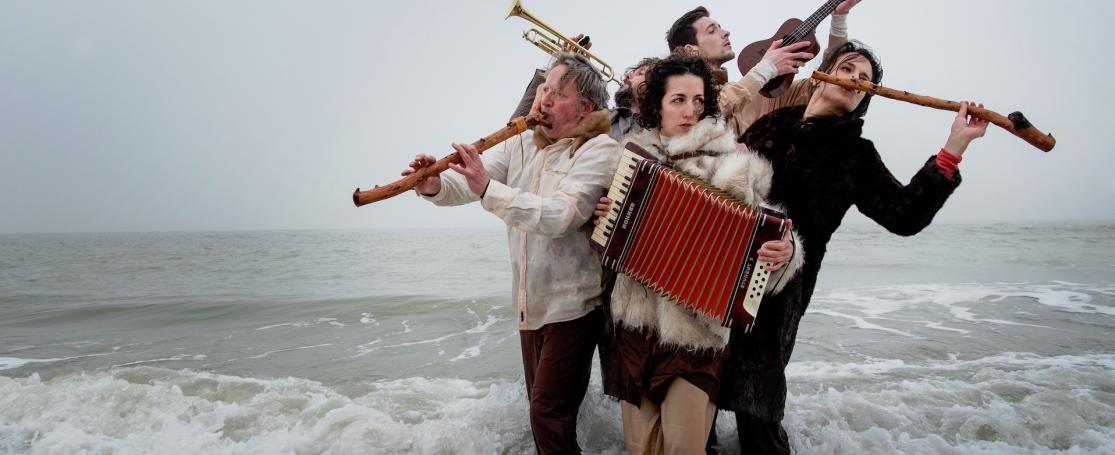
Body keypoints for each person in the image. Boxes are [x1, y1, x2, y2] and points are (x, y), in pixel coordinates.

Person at [719, 40, 989, 454]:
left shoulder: (855, 154)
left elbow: (904, 216)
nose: (855, 79)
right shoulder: (773, 124)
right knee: (703, 385)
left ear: (865, 97)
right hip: (722, 270)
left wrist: (954, 147)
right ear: (821, 77)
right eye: (847, 69)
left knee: (757, 402)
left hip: (782, 287)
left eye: (865, 79)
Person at [403, 53, 620, 454]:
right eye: (544, 89)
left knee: (547, 414)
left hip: (575, 306)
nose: (545, 99)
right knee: (545, 415)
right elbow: (470, 184)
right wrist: (433, 183)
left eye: (559, 94)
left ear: (586, 108)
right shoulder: (521, 141)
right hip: (528, 305)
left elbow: (561, 216)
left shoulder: (600, 150)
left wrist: (487, 188)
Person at [594, 53, 804, 454]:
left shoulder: (734, 166)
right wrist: (604, 218)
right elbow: (607, 242)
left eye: (698, 101)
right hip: (634, 328)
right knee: (643, 450)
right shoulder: (629, 159)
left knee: (684, 449)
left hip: (698, 335)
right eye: (678, 100)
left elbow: (769, 233)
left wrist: (787, 251)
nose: (690, 111)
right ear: (657, 105)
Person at [664, 1, 863, 136]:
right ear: (690, 50)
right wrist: (766, 69)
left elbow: (824, 85)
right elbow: (702, 114)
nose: (726, 32)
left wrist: (839, 19)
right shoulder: (668, 90)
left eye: (720, 27)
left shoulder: (756, 97)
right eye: (712, 30)